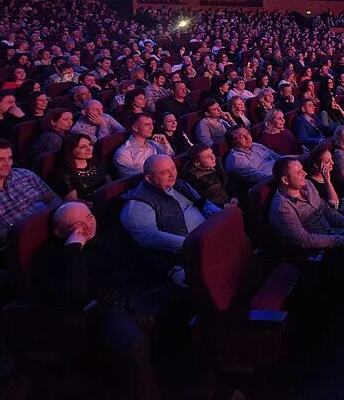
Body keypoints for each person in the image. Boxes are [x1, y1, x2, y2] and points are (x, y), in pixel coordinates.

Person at [38, 201, 165, 400]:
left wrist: (172, 271)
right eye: (76, 226)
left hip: (141, 291)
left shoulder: (108, 233)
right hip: (107, 307)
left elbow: (141, 255)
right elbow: (75, 293)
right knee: (132, 344)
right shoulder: (55, 256)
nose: (87, 226)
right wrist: (74, 247)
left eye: (89, 217)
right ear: (59, 232)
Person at [120, 154, 221, 259]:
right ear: (149, 179)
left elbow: (203, 202)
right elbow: (149, 237)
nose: (172, 175)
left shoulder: (179, 183)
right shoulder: (137, 203)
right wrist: (194, 242)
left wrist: (220, 215)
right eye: (165, 172)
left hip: (209, 234)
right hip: (188, 252)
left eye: (173, 168)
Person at [268, 157, 344, 259]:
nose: (305, 173)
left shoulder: (307, 185)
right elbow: (304, 241)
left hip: (333, 234)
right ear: (285, 180)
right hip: (317, 251)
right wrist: (343, 240)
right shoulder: (282, 208)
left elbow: (326, 210)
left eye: (302, 169)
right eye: (299, 172)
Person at [47, 133, 108, 202]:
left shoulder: (97, 161)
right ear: (70, 150)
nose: (89, 149)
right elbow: (74, 202)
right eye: (82, 147)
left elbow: (110, 184)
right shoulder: (62, 174)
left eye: (90, 145)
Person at [113, 113, 174, 178]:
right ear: (135, 128)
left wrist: (165, 145)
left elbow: (171, 160)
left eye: (152, 124)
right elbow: (132, 179)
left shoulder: (153, 144)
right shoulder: (123, 153)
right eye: (147, 124)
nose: (151, 127)